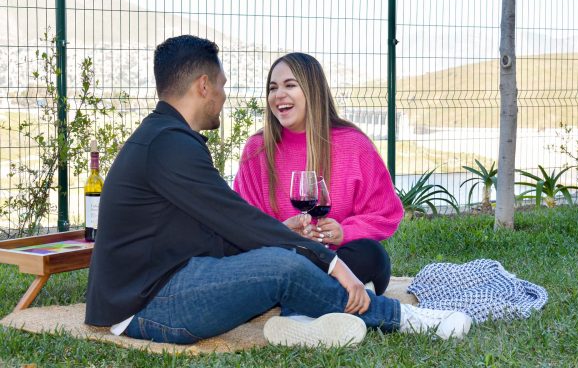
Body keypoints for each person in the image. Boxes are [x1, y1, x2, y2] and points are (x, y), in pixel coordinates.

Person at [84, 35, 472, 347]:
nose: (223, 96)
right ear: (203, 86)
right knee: (284, 266)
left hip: (163, 284)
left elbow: (223, 228)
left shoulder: (165, 138)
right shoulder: (168, 145)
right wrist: (332, 264)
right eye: (221, 86)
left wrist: (294, 241)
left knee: (293, 259)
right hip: (150, 305)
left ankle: (313, 318)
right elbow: (239, 220)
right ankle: (405, 318)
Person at [234, 52, 403, 296]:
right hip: (285, 262)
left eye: (290, 85)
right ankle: (325, 301)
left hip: (342, 260)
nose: (278, 95)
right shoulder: (257, 149)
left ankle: (305, 302)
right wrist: (283, 232)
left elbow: (386, 212)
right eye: (272, 88)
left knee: (372, 255)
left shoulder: (354, 145)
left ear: (312, 90)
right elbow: (243, 223)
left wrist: (345, 232)